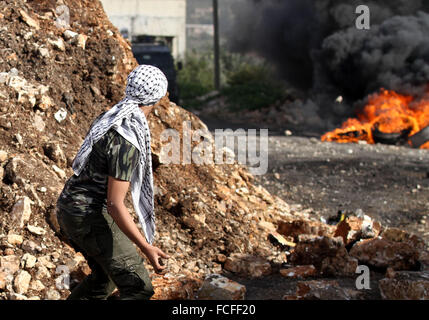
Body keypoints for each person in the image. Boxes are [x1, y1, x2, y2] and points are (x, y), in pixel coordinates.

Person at [56, 65, 170, 300]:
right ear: (156, 98)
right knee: (139, 287)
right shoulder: (126, 139)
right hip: (87, 215)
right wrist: (146, 247)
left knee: (103, 279)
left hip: (69, 208)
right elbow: (114, 204)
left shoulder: (113, 116)